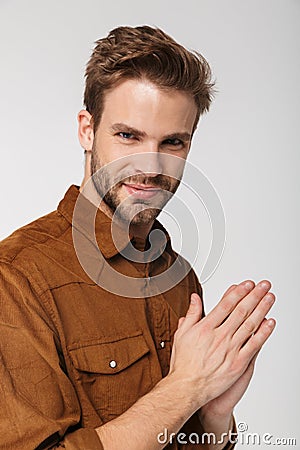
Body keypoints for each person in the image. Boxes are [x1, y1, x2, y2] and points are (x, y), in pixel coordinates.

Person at [0, 26, 276, 450]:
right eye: (128, 136)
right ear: (87, 131)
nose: (150, 165)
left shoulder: (179, 277)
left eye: (173, 142)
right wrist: (186, 388)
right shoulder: (16, 277)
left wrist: (214, 417)